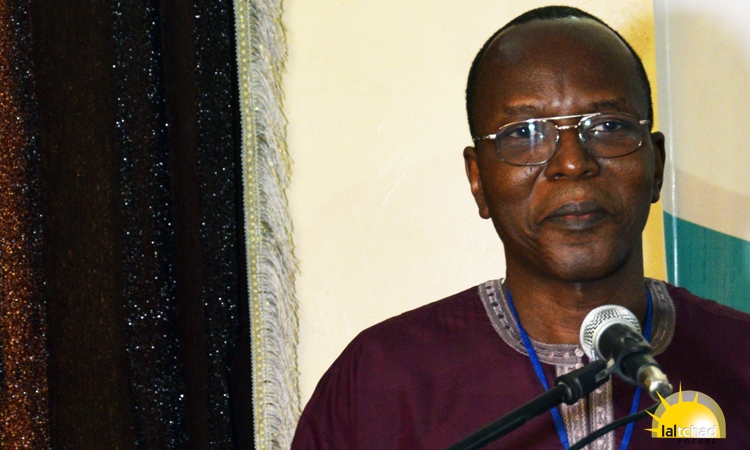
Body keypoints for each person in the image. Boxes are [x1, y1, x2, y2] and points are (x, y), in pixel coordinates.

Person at [291, 6, 750, 449]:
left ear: (656, 167)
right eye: (524, 132)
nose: (572, 162)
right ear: (479, 181)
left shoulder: (740, 359)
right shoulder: (384, 380)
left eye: (608, 125)